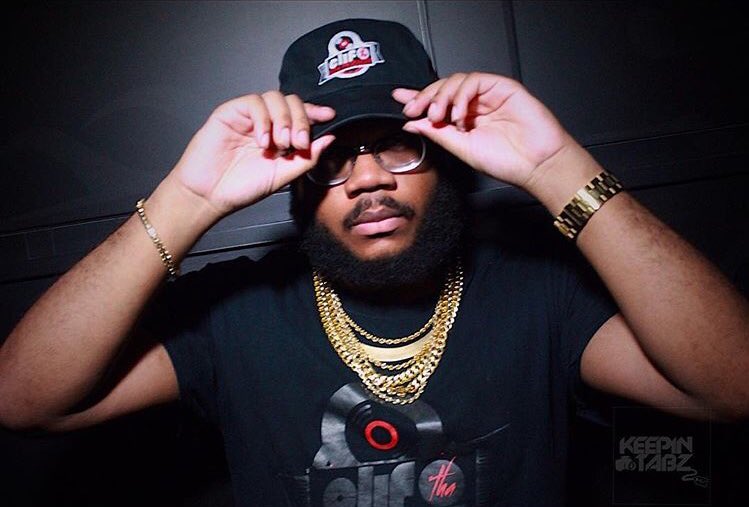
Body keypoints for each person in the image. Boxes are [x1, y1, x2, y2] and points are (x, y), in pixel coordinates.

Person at [0, 18, 747, 507]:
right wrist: (185, 200)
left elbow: (733, 385)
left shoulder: (538, 292)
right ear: (298, 182)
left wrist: (557, 168)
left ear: (445, 152)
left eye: (395, 144)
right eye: (333, 157)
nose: (367, 179)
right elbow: (23, 399)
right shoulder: (235, 316)